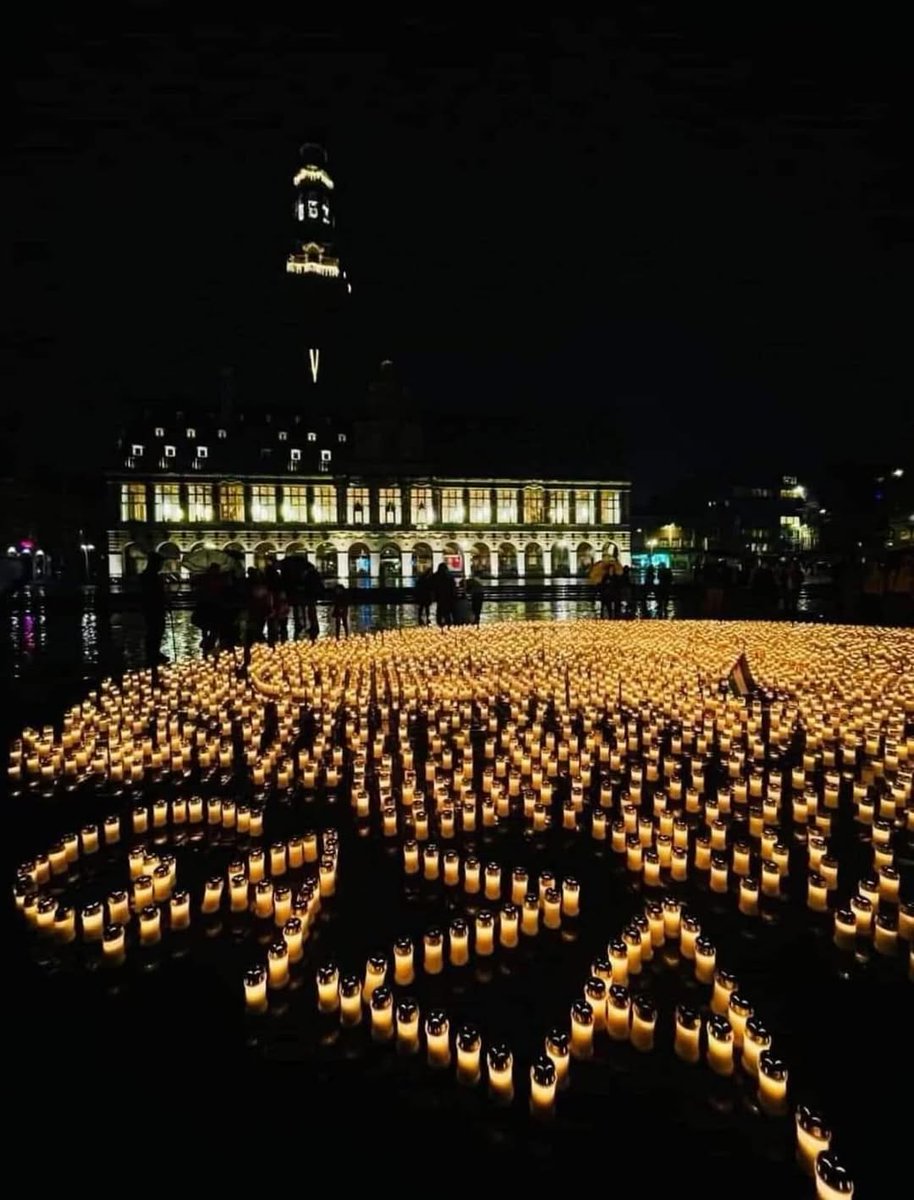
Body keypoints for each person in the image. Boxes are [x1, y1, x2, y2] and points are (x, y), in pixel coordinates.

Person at [139, 551, 168, 676]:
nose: (161, 566)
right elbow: (152, 594)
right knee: (154, 630)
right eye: (160, 564)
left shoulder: (151, 576)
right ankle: (152, 654)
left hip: (154, 608)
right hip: (153, 608)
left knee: (157, 630)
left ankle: (155, 652)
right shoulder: (149, 577)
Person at [242, 567, 271, 670]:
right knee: (254, 633)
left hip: (256, 614)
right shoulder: (255, 585)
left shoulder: (249, 585)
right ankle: (257, 656)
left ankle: (252, 658)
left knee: (251, 635)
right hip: (256, 614)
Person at [432, 562, 457, 628]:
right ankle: (448, 623)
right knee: (447, 610)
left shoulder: (436, 575)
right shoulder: (449, 576)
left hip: (440, 595)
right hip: (448, 595)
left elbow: (433, 585)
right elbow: (453, 586)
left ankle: (440, 623)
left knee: (440, 610)